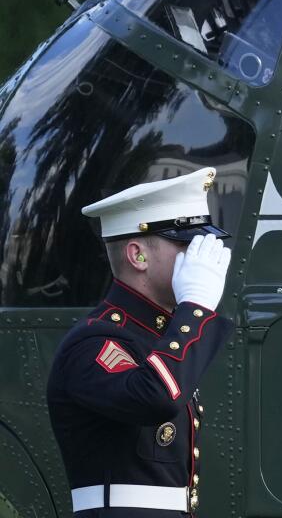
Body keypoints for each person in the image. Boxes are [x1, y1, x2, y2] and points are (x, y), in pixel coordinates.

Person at [46, 167, 234, 515]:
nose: (199, 254)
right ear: (138, 255)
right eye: (184, 243)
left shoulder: (154, 339)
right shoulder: (93, 342)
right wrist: (195, 308)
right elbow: (155, 398)